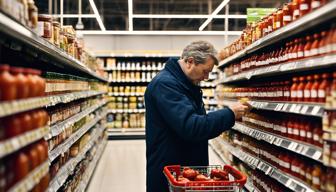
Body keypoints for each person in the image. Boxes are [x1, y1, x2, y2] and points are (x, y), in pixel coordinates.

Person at [145, 41, 251, 192]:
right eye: (205, 71)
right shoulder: (165, 85)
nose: (206, 77)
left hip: (184, 170)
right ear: (190, 62)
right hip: (171, 173)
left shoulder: (184, 83)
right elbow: (192, 127)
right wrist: (230, 114)